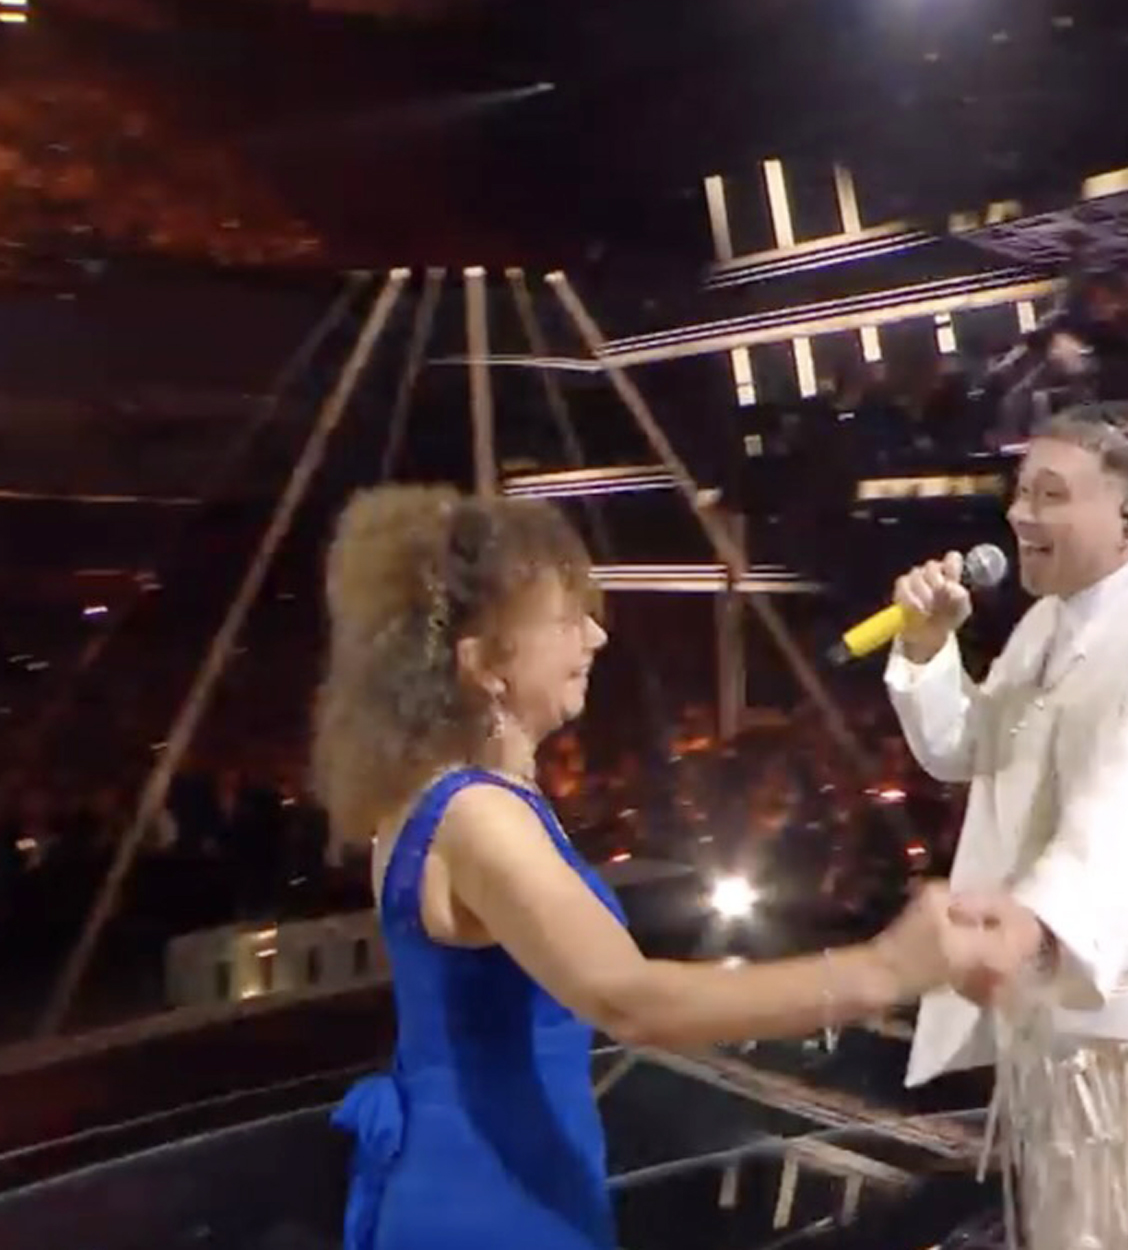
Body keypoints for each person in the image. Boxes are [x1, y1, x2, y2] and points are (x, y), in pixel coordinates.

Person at [314, 486, 1005, 1250]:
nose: (596, 637)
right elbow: (630, 999)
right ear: (485, 664)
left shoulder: (441, 798)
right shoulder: (477, 815)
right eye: (565, 620)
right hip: (494, 1205)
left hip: (484, 1180)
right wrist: (882, 969)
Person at [886, 401, 1128, 1250]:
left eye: (1051, 494)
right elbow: (971, 748)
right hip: (1053, 1026)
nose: (1019, 514)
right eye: (1021, 490)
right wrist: (927, 648)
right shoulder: (1051, 618)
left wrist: (1033, 921)